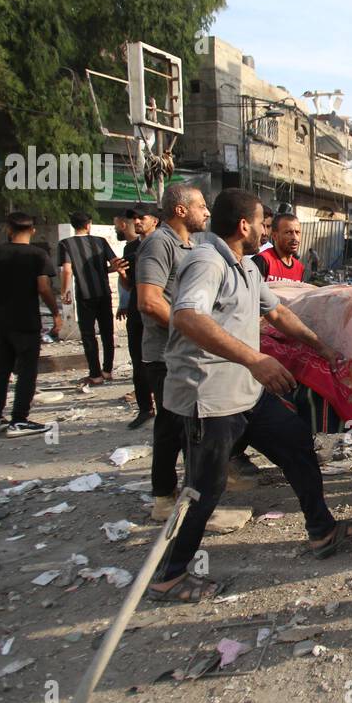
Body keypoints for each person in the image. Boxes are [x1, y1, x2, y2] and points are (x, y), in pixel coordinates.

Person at [147, 190, 352, 603]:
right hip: (209, 397)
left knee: (297, 443)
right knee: (205, 489)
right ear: (245, 226)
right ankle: (170, 575)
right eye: (264, 223)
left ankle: (321, 531)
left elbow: (278, 313)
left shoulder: (245, 266)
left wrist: (322, 347)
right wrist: (255, 360)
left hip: (246, 393)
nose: (267, 230)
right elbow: (188, 316)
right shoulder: (206, 261)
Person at [135, 184, 210, 519]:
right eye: (201, 206)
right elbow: (149, 301)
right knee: (171, 427)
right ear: (181, 210)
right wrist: (193, 330)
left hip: (187, 352)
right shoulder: (159, 243)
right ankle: (164, 497)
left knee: (190, 425)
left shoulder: (191, 246)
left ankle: (193, 490)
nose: (207, 212)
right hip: (166, 355)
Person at [0, 212, 62, 437]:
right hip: (26, 319)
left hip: (0, 319)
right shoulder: (38, 255)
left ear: (8, 230)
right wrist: (55, 313)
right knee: (26, 371)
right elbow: (43, 288)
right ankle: (19, 419)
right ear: (33, 230)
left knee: (1, 369)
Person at [58, 212, 122, 386]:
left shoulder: (66, 244)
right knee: (108, 332)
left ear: (73, 225)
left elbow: (67, 270)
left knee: (88, 334)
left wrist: (64, 292)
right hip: (104, 292)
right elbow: (116, 264)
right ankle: (107, 370)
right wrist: (105, 271)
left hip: (85, 295)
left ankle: (95, 374)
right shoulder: (100, 241)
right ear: (88, 225)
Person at [118, 206, 160, 428]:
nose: (136, 221)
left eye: (141, 217)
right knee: (138, 360)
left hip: (160, 309)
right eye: (134, 218)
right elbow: (129, 284)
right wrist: (122, 273)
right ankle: (145, 408)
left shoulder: (164, 244)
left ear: (154, 220)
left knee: (162, 361)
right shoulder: (131, 248)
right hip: (137, 309)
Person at [251, 212, 306, 283]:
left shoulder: (299, 268)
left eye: (297, 232)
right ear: (275, 236)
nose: (295, 237)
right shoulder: (263, 260)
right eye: (289, 232)